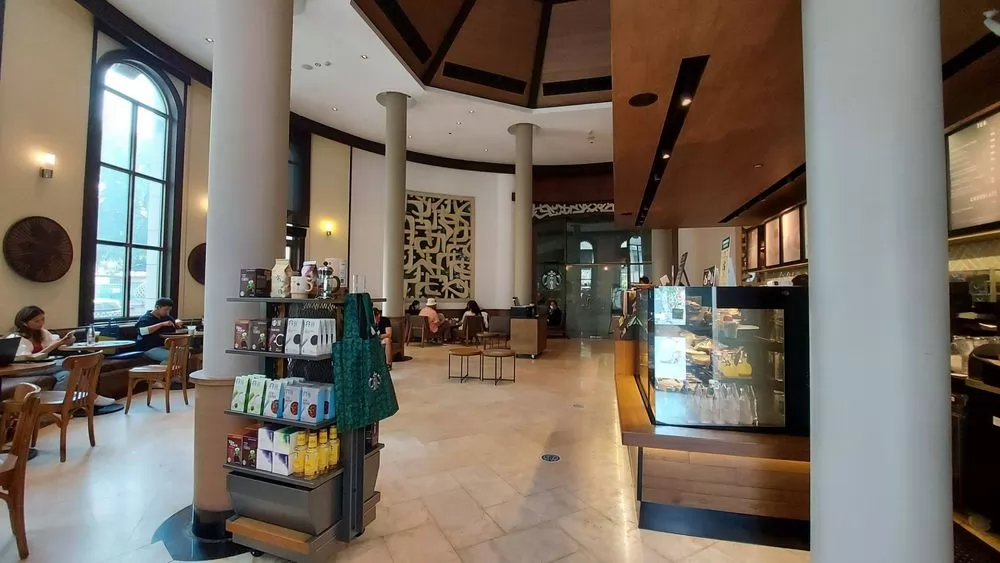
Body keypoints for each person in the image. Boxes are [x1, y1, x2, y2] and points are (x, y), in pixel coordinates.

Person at [6, 306, 74, 390]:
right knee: (68, 363)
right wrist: (54, 345)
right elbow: (30, 358)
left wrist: (68, 341)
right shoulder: (16, 338)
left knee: (66, 374)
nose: (41, 323)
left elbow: (57, 344)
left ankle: (55, 398)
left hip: (41, 366)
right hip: (23, 369)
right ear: (24, 323)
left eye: (42, 319)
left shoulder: (42, 332)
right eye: (36, 321)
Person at [135, 298, 184, 363]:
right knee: (175, 356)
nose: (167, 312)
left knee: (184, 354)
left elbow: (175, 321)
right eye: (166, 310)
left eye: (169, 310)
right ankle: (164, 369)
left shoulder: (165, 317)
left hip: (164, 346)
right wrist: (161, 324)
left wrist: (177, 321)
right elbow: (143, 331)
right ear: (157, 307)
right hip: (149, 348)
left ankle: (166, 368)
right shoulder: (145, 318)